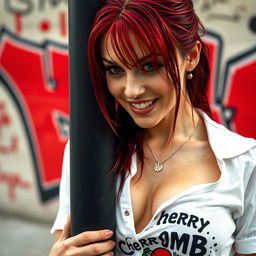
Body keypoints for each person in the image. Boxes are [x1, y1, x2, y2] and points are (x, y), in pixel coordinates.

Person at [49, 0, 256, 255]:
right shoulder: (86, 153)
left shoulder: (243, 163)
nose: (132, 90)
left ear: (191, 57)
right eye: (115, 69)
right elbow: (67, 244)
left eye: (149, 66)